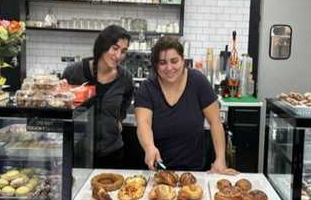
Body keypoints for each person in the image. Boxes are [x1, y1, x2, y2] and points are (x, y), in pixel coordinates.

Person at [134, 36, 235, 173]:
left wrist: (220, 160)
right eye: (163, 63)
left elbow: (215, 122)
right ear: (156, 65)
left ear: (183, 60)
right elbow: (143, 123)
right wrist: (149, 147)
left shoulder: (198, 81)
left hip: (194, 170)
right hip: (158, 171)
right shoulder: (147, 88)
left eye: (174, 61)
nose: (169, 68)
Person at [62, 25, 134, 168]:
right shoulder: (74, 72)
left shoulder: (125, 78)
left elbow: (126, 100)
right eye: (115, 48)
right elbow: (62, 103)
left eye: (123, 51)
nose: (119, 56)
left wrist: (118, 118)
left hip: (112, 152)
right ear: (103, 45)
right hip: (77, 153)